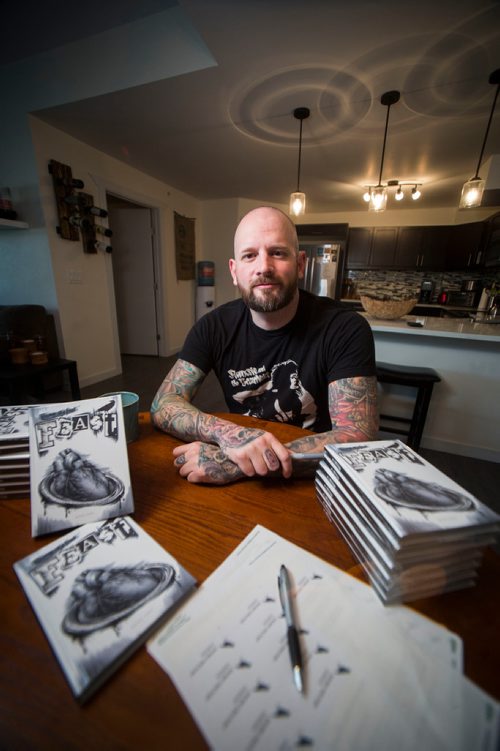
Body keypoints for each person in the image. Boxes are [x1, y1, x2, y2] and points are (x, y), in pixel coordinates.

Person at [151, 206, 379, 484]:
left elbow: (357, 436)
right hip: (241, 471)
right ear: (234, 271)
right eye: (249, 255)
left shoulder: (344, 328)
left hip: (314, 480)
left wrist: (235, 463)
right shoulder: (213, 327)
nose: (264, 267)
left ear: (300, 264)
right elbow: (163, 403)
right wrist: (230, 435)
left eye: (278, 252)